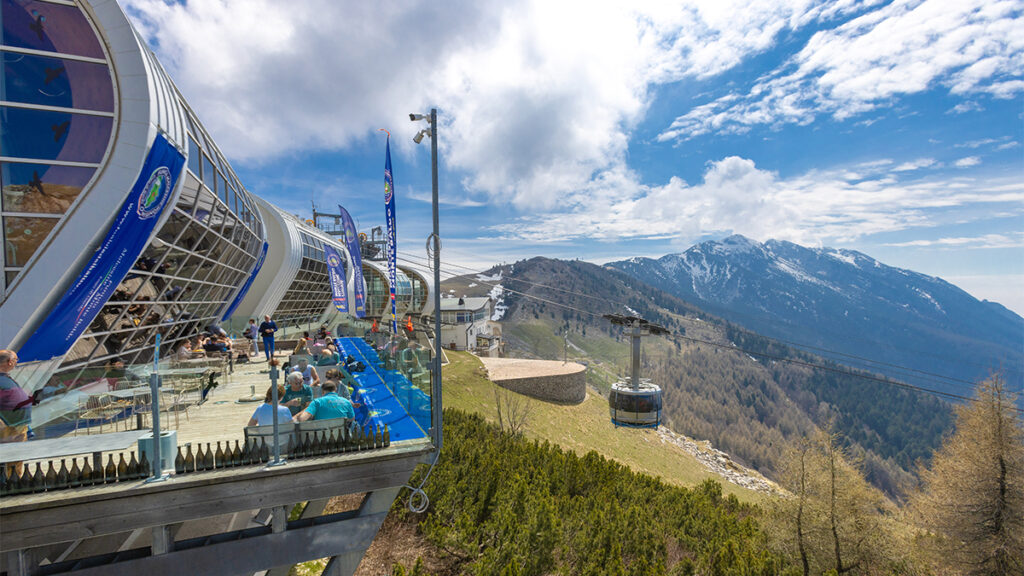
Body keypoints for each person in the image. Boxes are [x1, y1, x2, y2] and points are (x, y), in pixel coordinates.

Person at [0, 350, 31, 476]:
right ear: (10, 361)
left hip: (15, 426)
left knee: (15, 458)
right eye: (16, 360)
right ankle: (9, 485)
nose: (16, 363)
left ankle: (13, 482)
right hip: (7, 427)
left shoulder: (4, 377)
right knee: (10, 458)